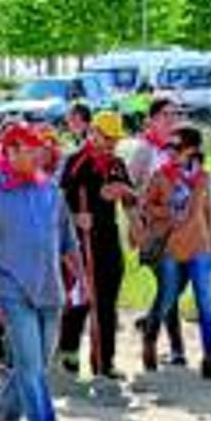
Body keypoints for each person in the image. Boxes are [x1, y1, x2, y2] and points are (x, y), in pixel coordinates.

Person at [0, 122, 81, 421]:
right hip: (12, 290)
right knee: (31, 366)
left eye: (39, 149)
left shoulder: (51, 189)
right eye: (30, 150)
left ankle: (6, 411)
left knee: (38, 365)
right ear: (10, 150)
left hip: (51, 290)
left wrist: (83, 280)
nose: (38, 155)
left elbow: (68, 241)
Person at [57, 112, 134, 379]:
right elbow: (57, 202)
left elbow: (131, 197)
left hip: (109, 240)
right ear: (94, 133)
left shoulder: (117, 164)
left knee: (107, 302)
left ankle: (105, 362)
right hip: (81, 242)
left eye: (116, 139)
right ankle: (67, 351)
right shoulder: (76, 162)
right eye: (108, 137)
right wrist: (76, 217)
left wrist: (124, 194)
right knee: (82, 299)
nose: (112, 144)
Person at [140, 126, 211, 380]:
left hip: (199, 248)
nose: (171, 152)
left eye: (177, 147)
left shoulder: (204, 178)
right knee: (167, 297)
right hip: (171, 248)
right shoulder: (160, 175)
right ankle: (150, 339)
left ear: (192, 150)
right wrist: (168, 213)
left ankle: (210, 357)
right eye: (169, 147)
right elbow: (146, 206)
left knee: (206, 304)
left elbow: (207, 213)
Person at [130, 98, 187, 367]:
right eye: (165, 114)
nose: (172, 118)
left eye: (175, 114)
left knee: (174, 284)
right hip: (153, 232)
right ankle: (155, 338)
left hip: (181, 232)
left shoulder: (180, 147)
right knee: (169, 282)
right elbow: (128, 191)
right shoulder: (144, 150)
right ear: (151, 119)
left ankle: (163, 335)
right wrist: (135, 224)